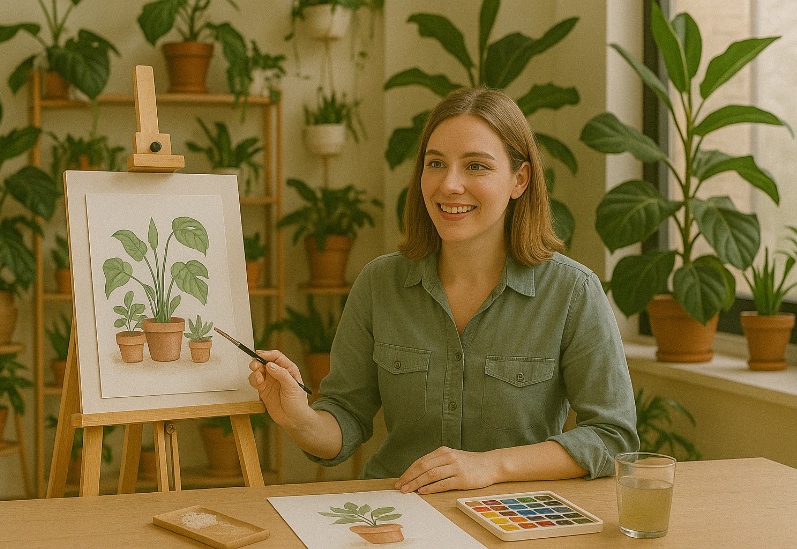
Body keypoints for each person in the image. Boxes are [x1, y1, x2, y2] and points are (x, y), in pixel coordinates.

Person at [249, 87, 638, 494]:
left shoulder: (572, 292)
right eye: (436, 164)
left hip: (513, 521)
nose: (450, 185)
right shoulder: (379, 284)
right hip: (401, 514)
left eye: (476, 166)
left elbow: (612, 438)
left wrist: (491, 466)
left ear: (519, 180)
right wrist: (298, 417)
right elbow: (345, 418)